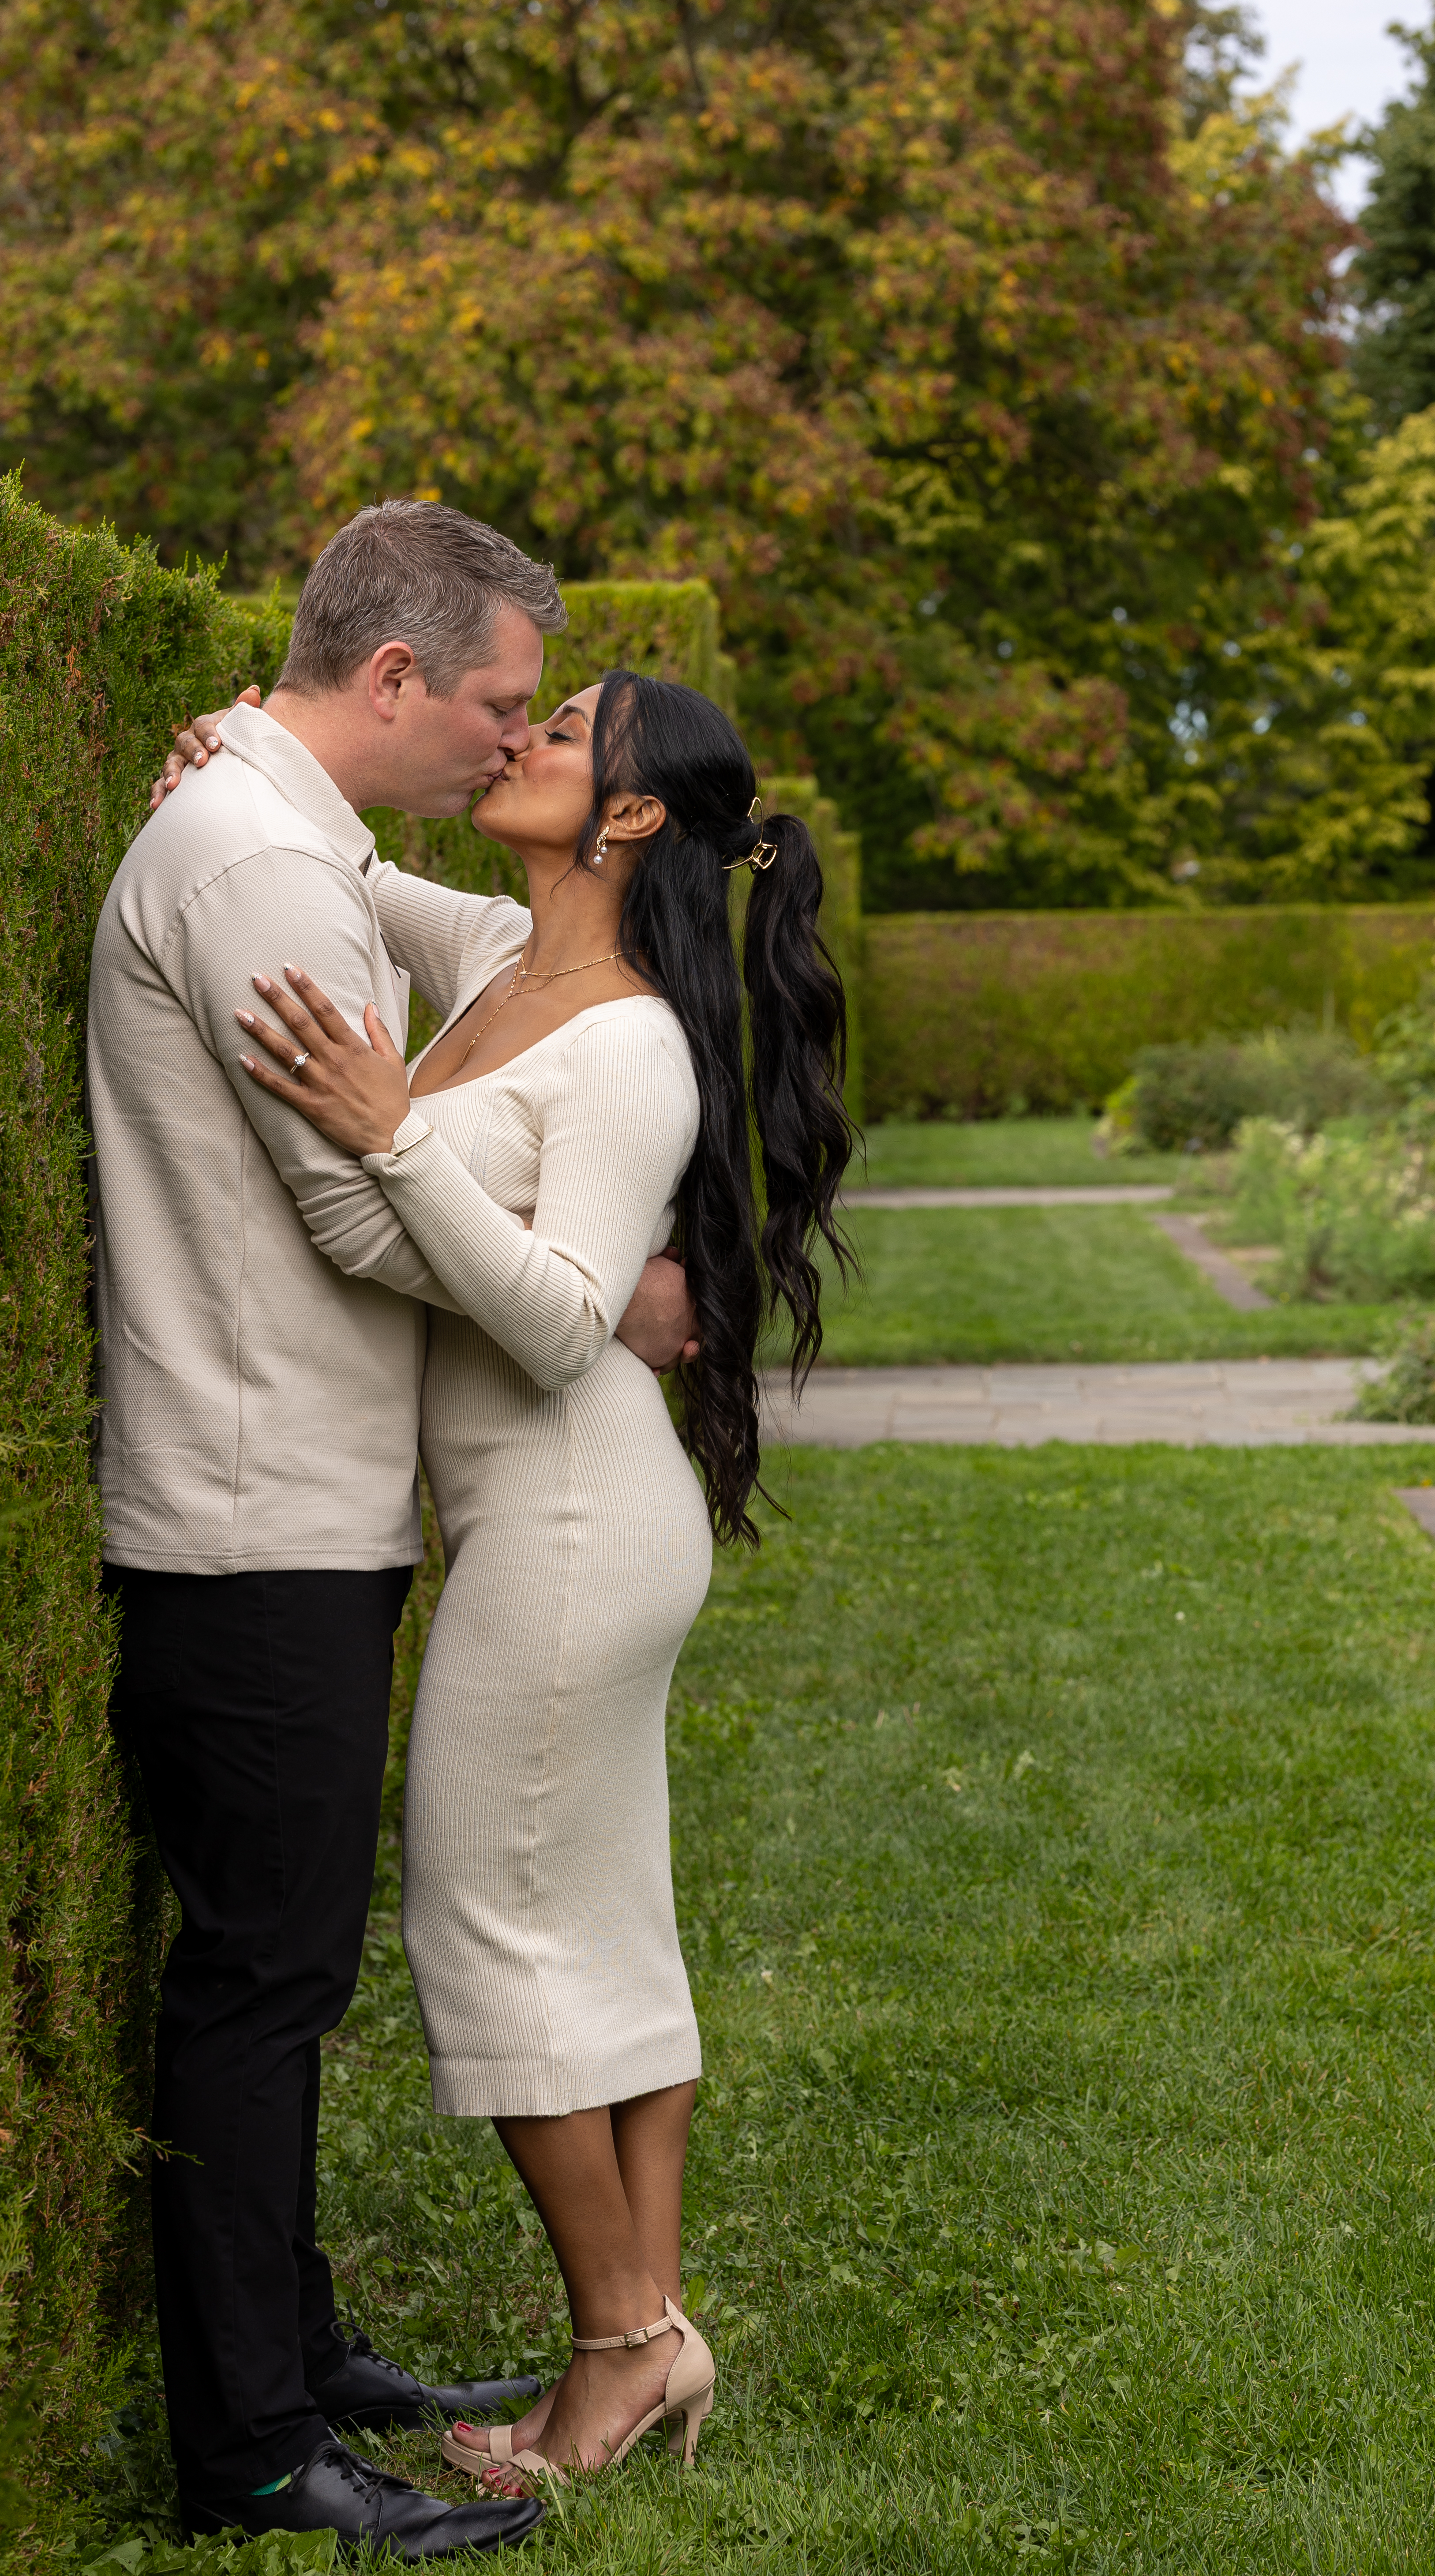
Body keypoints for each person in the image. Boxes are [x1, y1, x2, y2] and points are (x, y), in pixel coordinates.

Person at [90, 500, 697, 2557]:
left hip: (326, 1497)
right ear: (393, 680)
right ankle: (255, 2449)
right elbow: (354, 1203)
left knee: (287, 1975)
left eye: (555, 726)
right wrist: (588, 1283)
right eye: (504, 705)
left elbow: (471, 986)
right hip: (255, 1505)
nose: (513, 743)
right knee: (266, 1984)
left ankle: (318, 2362)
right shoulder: (268, 856)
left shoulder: (299, 850)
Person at [225, 665, 854, 2491]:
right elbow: (330, 858)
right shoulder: (506, 954)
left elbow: (579, 1319)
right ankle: (652, 2338)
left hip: (570, 1532)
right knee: (600, 1933)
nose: (517, 745)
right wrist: (238, 747)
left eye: (559, 734)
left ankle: (615, 2355)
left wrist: (392, 1137)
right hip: (560, 1528)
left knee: (488, 1935)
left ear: (634, 815)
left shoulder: (633, 1042)